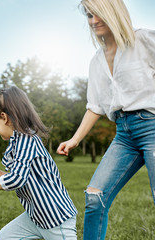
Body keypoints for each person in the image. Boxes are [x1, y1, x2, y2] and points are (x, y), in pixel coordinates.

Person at [56, 0, 155, 239]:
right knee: (94, 196)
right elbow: (95, 106)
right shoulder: (96, 61)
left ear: (113, 13)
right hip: (124, 135)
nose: (93, 21)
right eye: (89, 15)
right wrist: (74, 140)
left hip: (152, 125)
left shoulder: (142, 40)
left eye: (98, 14)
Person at [0, 86, 77, 240]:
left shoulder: (27, 141)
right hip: (36, 217)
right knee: (4, 238)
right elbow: (22, 178)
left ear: (4, 117)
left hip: (56, 218)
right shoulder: (18, 142)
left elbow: (16, 180)